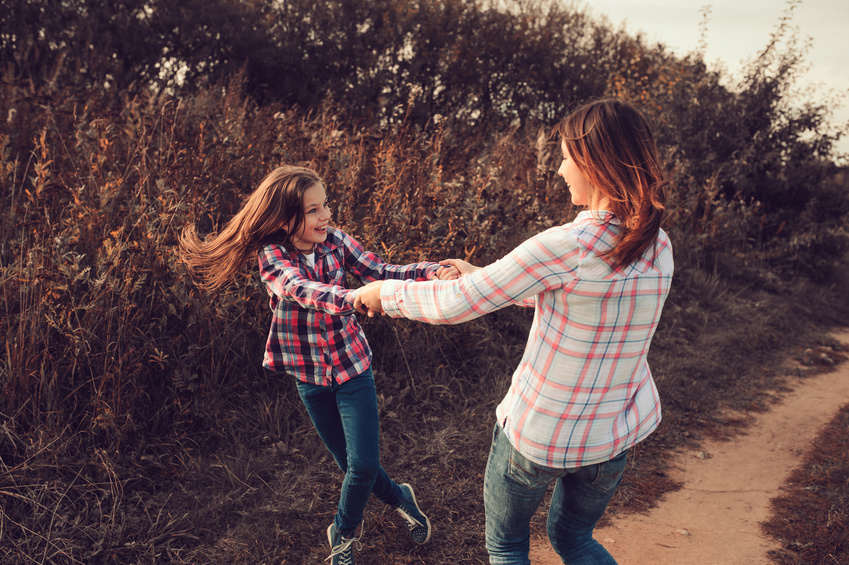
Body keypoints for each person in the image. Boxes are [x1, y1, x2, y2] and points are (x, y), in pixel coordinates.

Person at [354, 98, 674, 565]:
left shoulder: (566, 245)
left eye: (566, 158)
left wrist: (385, 294)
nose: (560, 170)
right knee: (575, 540)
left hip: (540, 436)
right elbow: (572, 293)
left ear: (595, 165)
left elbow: (458, 303)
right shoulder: (657, 245)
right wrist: (481, 273)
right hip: (610, 436)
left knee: (506, 546)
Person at [180, 165, 458, 565]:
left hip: (352, 367)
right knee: (352, 466)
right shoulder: (273, 256)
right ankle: (401, 497)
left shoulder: (337, 242)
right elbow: (300, 289)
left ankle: (342, 534)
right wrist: (354, 298)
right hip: (309, 377)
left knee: (361, 466)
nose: (325, 216)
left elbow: (380, 271)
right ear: (284, 219)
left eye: (324, 205)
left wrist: (430, 271)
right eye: (312, 210)